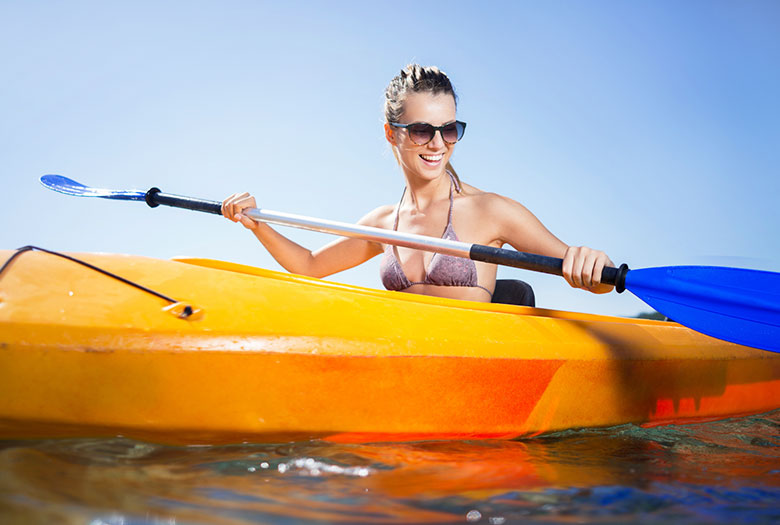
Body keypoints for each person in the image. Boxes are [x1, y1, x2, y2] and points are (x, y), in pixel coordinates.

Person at [222, 64, 614, 303]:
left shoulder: (491, 211)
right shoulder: (383, 222)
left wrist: (595, 264)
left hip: (474, 375)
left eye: (450, 129)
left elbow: (595, 279)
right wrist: (257, 223)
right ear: (393, 134)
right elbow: (308, 266)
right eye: (423, 130)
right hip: (413, 376)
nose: (438, 144)